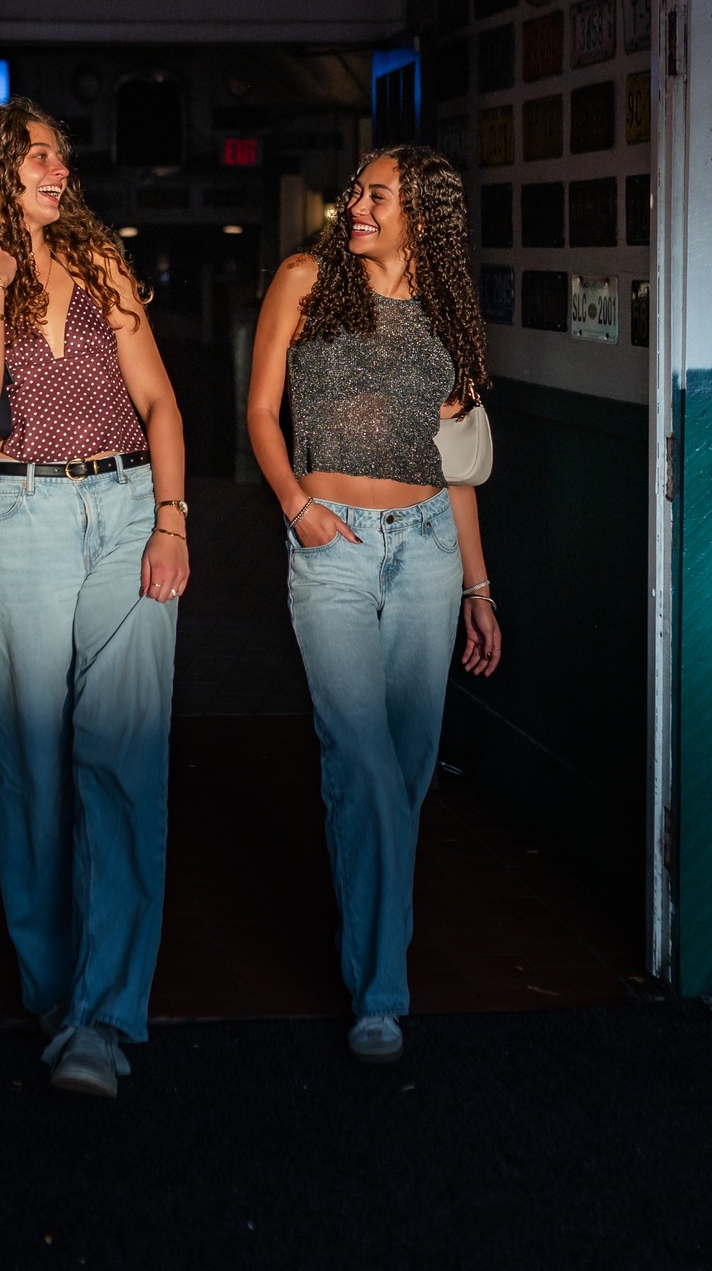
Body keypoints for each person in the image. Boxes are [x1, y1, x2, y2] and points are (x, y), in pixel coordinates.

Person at [0, 99, 189, 1098]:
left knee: (124, 762)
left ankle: (102, 1015)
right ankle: (57, 996)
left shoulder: (100, 263)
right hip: (19, 521)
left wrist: (174, 521)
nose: (59, 169)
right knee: (31, 772)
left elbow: (160, 399)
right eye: (38, 156)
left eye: (60, 154)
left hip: (129, 505)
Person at [247, 143, 500, 1064]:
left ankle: (372, 963)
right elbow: (260, 412)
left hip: (431, 546)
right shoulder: (305, 279)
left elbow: (457, 466)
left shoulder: (446, 310)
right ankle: (379, 994)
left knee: (409, 766)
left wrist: (478, 586)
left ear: (421, 215)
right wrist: (299, 508)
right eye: (355, 189)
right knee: (359, 756)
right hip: (332, 549)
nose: (354, 204)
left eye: (376, 195)